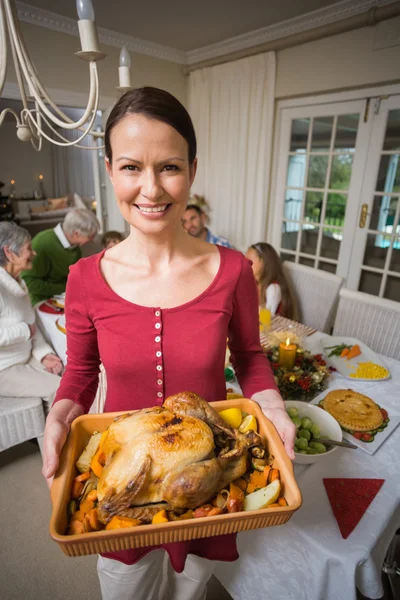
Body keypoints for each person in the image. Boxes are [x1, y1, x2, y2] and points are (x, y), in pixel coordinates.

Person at [42, 87, 295, 600]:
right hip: (120, 479)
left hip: (211, 479)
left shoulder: (231, 272)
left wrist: (273, 409)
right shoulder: (85, 277)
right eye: (132, 167)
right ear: (110, 170)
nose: (151, 189)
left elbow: (249, 357)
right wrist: (62, 414)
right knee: (126, 589)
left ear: (192, 171)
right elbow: (81, 371)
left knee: (191, 589)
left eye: (170, 167)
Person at [0, 222, 62, 414]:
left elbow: (31, 322)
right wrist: (24, 331)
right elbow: (28, 328)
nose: (34, 253)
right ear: (9, 252)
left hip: (24, 357)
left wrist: (44, 354)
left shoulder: (17, 281)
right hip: (5, 368)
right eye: (28, 248)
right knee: (63, 392)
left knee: (70, 374)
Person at [21, 208, 100, 305]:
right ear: (76, 234)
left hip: (65, 297)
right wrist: (67, 287)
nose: (92, 240)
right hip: (43, 302)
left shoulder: (74, 246)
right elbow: (29, 283)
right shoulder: (42, 243)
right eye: (90, 236)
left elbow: (74, 274)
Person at [245, 242, 296, 318]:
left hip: (272, 327)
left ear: (263, 263)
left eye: (249, 260)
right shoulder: (253, 282)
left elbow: (266, 318)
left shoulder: (273, 289)